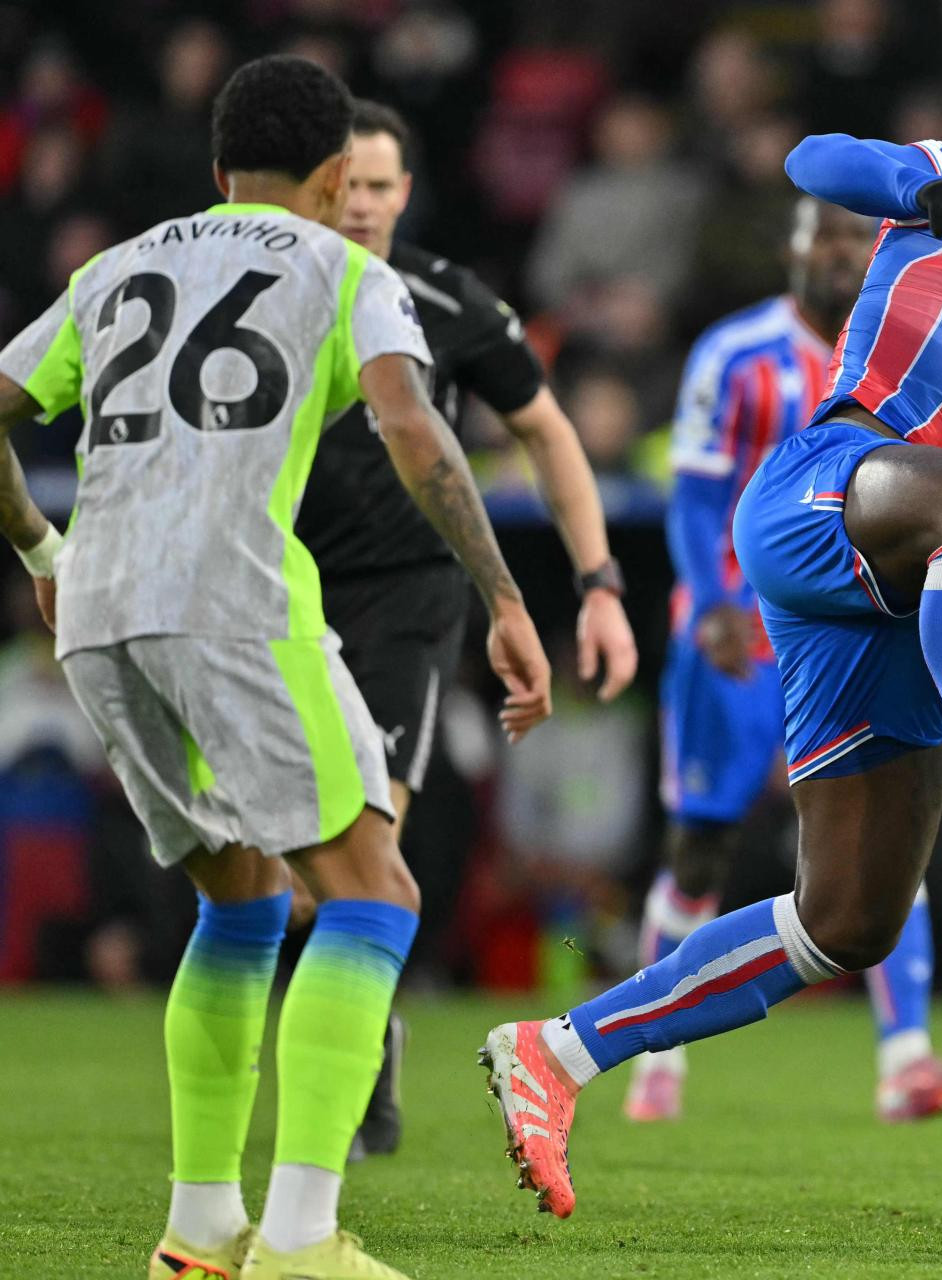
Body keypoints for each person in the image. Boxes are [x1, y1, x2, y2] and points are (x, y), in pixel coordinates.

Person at [479, 22, 942, 1220]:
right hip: (824, 488)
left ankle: (557, 1051)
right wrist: (921, 186)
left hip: (899, 593)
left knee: (845, 921)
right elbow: (811, 159)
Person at [0, 56, 551, 1280]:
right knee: (376, 894)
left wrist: (41, 548)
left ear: (218, 170)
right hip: (234, 602)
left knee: (242, 899)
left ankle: (198, 1233)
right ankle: (301, 1239)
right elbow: (412, 426)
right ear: (334, 177)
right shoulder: (346, 267)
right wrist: (505, 596)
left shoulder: (112, 267)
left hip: (98, 609)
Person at [298, 99, 637, 1160]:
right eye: (347, 185)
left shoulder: (445, 301)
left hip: (405, 600)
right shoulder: (272, 293)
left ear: (406, 192)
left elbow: (548, 431)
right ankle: (358, 1025)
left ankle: (352, 1074)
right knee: (283, 874)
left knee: (368, 842)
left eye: (380, 186)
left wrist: (598, 581)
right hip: (276, 594)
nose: (362, 205)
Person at [626, 195, 942, 1125]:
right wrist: (710, 603)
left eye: (854, 237)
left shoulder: (903, 368)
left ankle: (905, 1059)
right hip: (738, 641)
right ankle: (653, 1062)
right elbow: (695, 496)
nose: (838, 252)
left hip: (857, 630)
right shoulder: (737, 354)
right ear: (791, 248)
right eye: (821, 235)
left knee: (887, 829)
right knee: (702, 846)